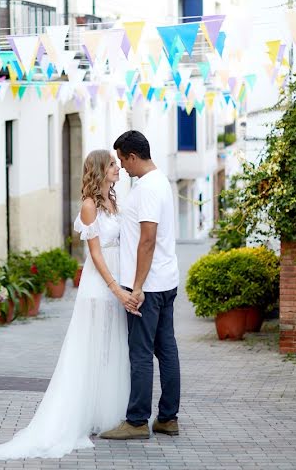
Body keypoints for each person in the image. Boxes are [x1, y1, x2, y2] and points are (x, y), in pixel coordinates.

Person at [0, 150, 133, 459]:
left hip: (119, 279)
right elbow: (96, 255)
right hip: (100, 284)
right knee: (91, 349)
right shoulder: (89, 207)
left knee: (113, 348)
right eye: (113, 164)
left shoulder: (115, 201)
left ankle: (107, 415)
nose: (118, 168)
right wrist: (114, 287)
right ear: (100, 170)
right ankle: (76, 416)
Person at [100, 130, 181, 440]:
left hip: (149, 286)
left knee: (141, 353)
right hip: (165, 279)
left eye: (122, 160)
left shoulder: (147, 188)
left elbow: (147, 240)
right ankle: (168, 418)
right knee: (167, 350)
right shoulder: (159, 181)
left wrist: (136, 286)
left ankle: (136, 422)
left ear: (133, 157)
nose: (121, 166)